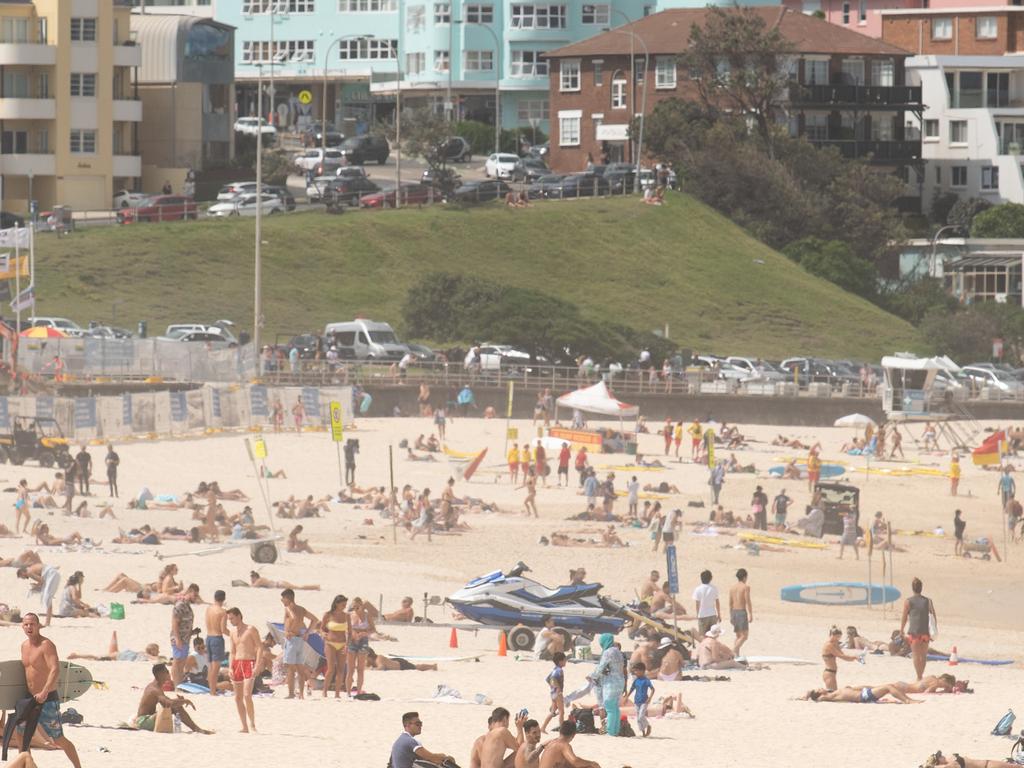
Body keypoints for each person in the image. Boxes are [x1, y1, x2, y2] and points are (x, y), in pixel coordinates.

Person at [17, 613, 82, 767]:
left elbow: (55, 669)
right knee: (21, 734)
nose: (29, 627)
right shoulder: (24, 646)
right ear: (22, 626)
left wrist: (45, 691)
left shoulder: (46, 645)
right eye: (26, 624)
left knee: (58, 738)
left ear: (38, 626)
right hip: (29, 698)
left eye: (32, 624)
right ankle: (27, 765)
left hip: (47, 699)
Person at [134, 663, 211, 733]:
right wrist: (185, 701)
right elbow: (168, 703)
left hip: (145, 720)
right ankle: (196, 729)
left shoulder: (156, 687)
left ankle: (196, 728)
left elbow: (166, 701)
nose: (169, 674)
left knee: (175, 706)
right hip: (143, 722)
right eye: (167, 672)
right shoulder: (155, 689)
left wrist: (179, 700)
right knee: (176, 707)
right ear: (160, 674)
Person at [281, 587, 319, 699]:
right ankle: (301, 694)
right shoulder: (301, 609)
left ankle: (291, 693)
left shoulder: (288, 608)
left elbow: (293, 618)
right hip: (300, 640)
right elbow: (315, 619)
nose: (282, 601)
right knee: (300, 669)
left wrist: (288, 631)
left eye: (283, 598)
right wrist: (307, 632)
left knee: (291, 669)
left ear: (288, 598)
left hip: (292, 640)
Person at [227, 607, 260, 733]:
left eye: (232, 618)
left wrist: (257, 665)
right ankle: (244, 726)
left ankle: (252, 723)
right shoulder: (232, 632)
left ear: (239, 616)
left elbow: (260, 647)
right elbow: (232, 651)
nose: (230, 621)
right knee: (238, 697)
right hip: (237, 663)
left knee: (247, 695)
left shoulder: (251, 629)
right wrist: (230, 667)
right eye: (229, 619)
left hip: (249, 662)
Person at [900, 576, 937, 681]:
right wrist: (934, 630)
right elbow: (933, 617)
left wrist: (901, 629)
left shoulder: (908, 601)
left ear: (913, 588)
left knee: (916, 655)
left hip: (914, 632)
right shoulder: (928, 601)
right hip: (925, 632)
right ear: (921, 588)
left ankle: (919, 676)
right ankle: (921, 675)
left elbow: (904, 617)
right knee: (923, 656)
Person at [593, 634, 625, 736]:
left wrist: (593, 676)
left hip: (611, 683)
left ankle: (611, 731)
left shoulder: (607, 652)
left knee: (609, 707)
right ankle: (616, 730)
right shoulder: (618, 651)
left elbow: (601, 667)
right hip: (620, 681)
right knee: (615, 707)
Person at [169, 583, 199, 685]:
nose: (196, 598)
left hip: (185, 638)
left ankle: (179, 683)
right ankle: (176, 684)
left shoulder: (187, 606)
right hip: (179, 638)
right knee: (177, 662)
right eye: (195, 595)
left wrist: (192, 632)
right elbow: (175, 623)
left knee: (182, 662)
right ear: (190, 592)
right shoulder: (180, 605)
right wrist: (177, 639)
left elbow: (185, 623)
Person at [345, 596, 374, 696]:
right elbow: (346, 628)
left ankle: (358, 692)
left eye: (358, 607)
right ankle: (348, 692)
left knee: (360, 669)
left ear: (362, 606)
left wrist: (364, 633)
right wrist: (352, 634)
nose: (356, 609)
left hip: (363, 640)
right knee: (350, 668)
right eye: (354, 607)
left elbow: (373, 629)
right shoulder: (349, 615)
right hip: (352, 640)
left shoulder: (367, 616)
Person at [321, 594, 348, 698]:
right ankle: (325, 691)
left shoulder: (346, 616)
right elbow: (322, 628)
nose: (344, 606)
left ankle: (337, 693)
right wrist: (323, 634)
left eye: (345, 604)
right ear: (336, 604)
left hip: (342, 644)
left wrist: (347, 645)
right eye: (343, 604)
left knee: (341, 669)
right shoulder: (328, 615)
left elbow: (349, 632)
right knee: (331, 669)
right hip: (330, 643)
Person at [205, 589, 228, 697]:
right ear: (224, 599)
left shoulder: (208, 609)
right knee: (216, 667)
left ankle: (211, 689)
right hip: (217, 638)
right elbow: (223, 629)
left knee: (210, 666)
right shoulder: (222, 612)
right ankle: (213, 691)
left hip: (208, 637)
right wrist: (233, 634)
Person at [821, 625, 859, 690]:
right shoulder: (828, 645)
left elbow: (842, 654)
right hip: (829, 672)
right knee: (831, 693)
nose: (838, 639)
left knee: (834, 692)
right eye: (837, 637)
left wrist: (855, 657)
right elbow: (841, 656)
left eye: (839, 637)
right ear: (832, 635)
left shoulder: (835, 643)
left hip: (833, 672)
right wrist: (854, 658)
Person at [803, 684, 921, 704]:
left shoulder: (831, 693)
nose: (821, 688)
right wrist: (805, 696)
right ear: (818, 694)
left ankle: (907, 699)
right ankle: (907, 700)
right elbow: (813, 697)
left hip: (865, 692)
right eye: (819, 689)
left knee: (891, 685)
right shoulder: (825, 697)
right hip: (864, 696)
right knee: (889, 687)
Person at [540, 652, 567, 733]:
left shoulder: (554, 669)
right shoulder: (559, 670)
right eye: (565, 660)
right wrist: (558, 689)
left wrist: (552, 688)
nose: (566, 662)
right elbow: (553, 679)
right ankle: (562, 730)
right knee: (562, 712)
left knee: (553, 712)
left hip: (553, 694)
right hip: (557, 694)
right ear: (560, 661)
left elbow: (548, 679)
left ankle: (543, 728)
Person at [627, 662, 655, 737]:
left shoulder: (646, 680)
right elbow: (632, 689)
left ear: (642, 671)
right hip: (636, 701)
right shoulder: (636, 680)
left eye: (636, 671)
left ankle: (648, 726)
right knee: (638, 719)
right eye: (634, 671)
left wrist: (650, 698)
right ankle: (643, 733)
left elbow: (652, 689)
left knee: (641, 716)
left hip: (644, 701)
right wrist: (627, 697)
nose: (635, 672)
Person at [728, 568, 753, 654]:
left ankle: (736, 655)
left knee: (738, 636)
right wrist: (750, 614)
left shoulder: (732, 588)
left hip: (734, 612)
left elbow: (730, 603)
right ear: (744, 577)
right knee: (744, 636)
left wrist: (731, 615)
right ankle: (733, 651)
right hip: (741, 612)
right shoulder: (745, 587)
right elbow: (747, 601)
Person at [692, 569, 720, 638]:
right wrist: (719, 614)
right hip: (712, 614)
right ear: (711, 578)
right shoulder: (714, 588)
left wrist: (697, 614)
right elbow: (717, 602)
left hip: (702, 615)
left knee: (702, 637)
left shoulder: (698, 589)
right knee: (713, 636)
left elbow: (697, 604)